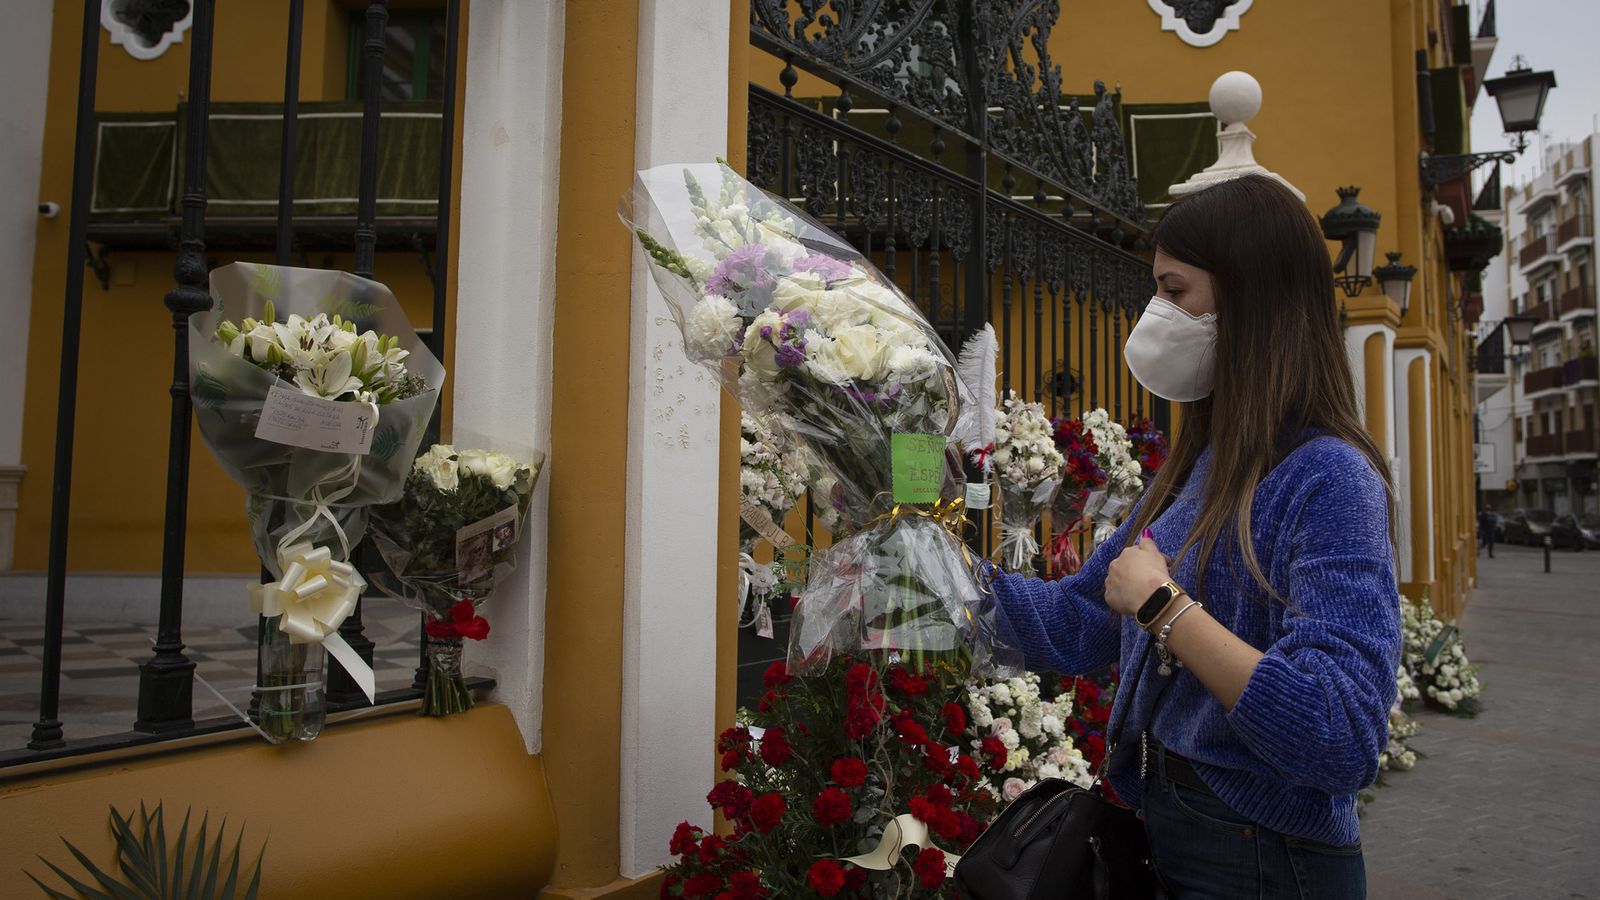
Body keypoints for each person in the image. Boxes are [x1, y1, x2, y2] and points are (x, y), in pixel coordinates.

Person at [987, 174, 1400, 899]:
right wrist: (938, 572)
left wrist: (1165, 610)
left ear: (1250, 298)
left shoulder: (1330, 479)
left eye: (1174, 291)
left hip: (1267, 859)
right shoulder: (1204, 465)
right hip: (1177, 830)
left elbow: (1341, 733)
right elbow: (1083, 617)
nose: (1156, 314)